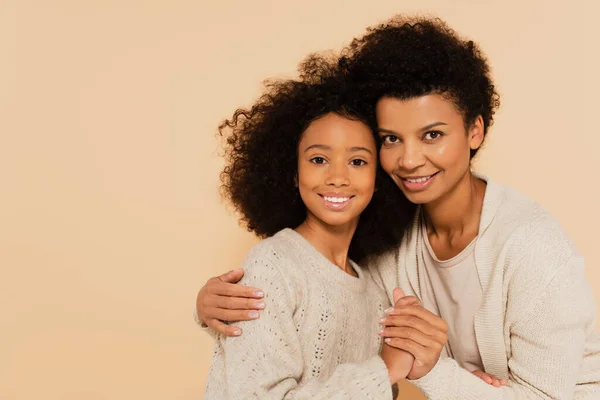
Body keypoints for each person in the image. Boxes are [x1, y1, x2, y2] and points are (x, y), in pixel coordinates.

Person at [197, 16, 600, 399]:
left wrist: (437, 374)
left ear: (474, 130)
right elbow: (310, 290)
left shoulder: (533, 247)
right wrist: (213, 309)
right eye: (390, 139)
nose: (408, 159)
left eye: (432, 135)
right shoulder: (388, 240)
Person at [203, 55, 433, 399]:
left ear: (379, 178)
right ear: (293, 173)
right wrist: (382, 371)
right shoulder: (271, 265)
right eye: (318, 159)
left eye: (357, 161)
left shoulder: (374, 287)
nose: (338, 177)